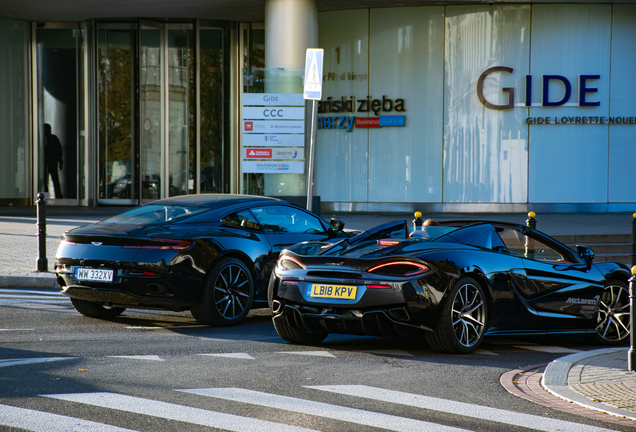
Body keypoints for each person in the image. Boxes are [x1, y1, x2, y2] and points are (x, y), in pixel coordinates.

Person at [44, 123, 63, 198]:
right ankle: (58, 195)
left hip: (47, 162)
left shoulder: (43, 138)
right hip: (52, 162)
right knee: (55, 180)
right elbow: (59, 150)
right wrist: (60, 161)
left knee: (46, 181)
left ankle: (45, 196)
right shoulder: (53, 138)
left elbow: (59, 150)